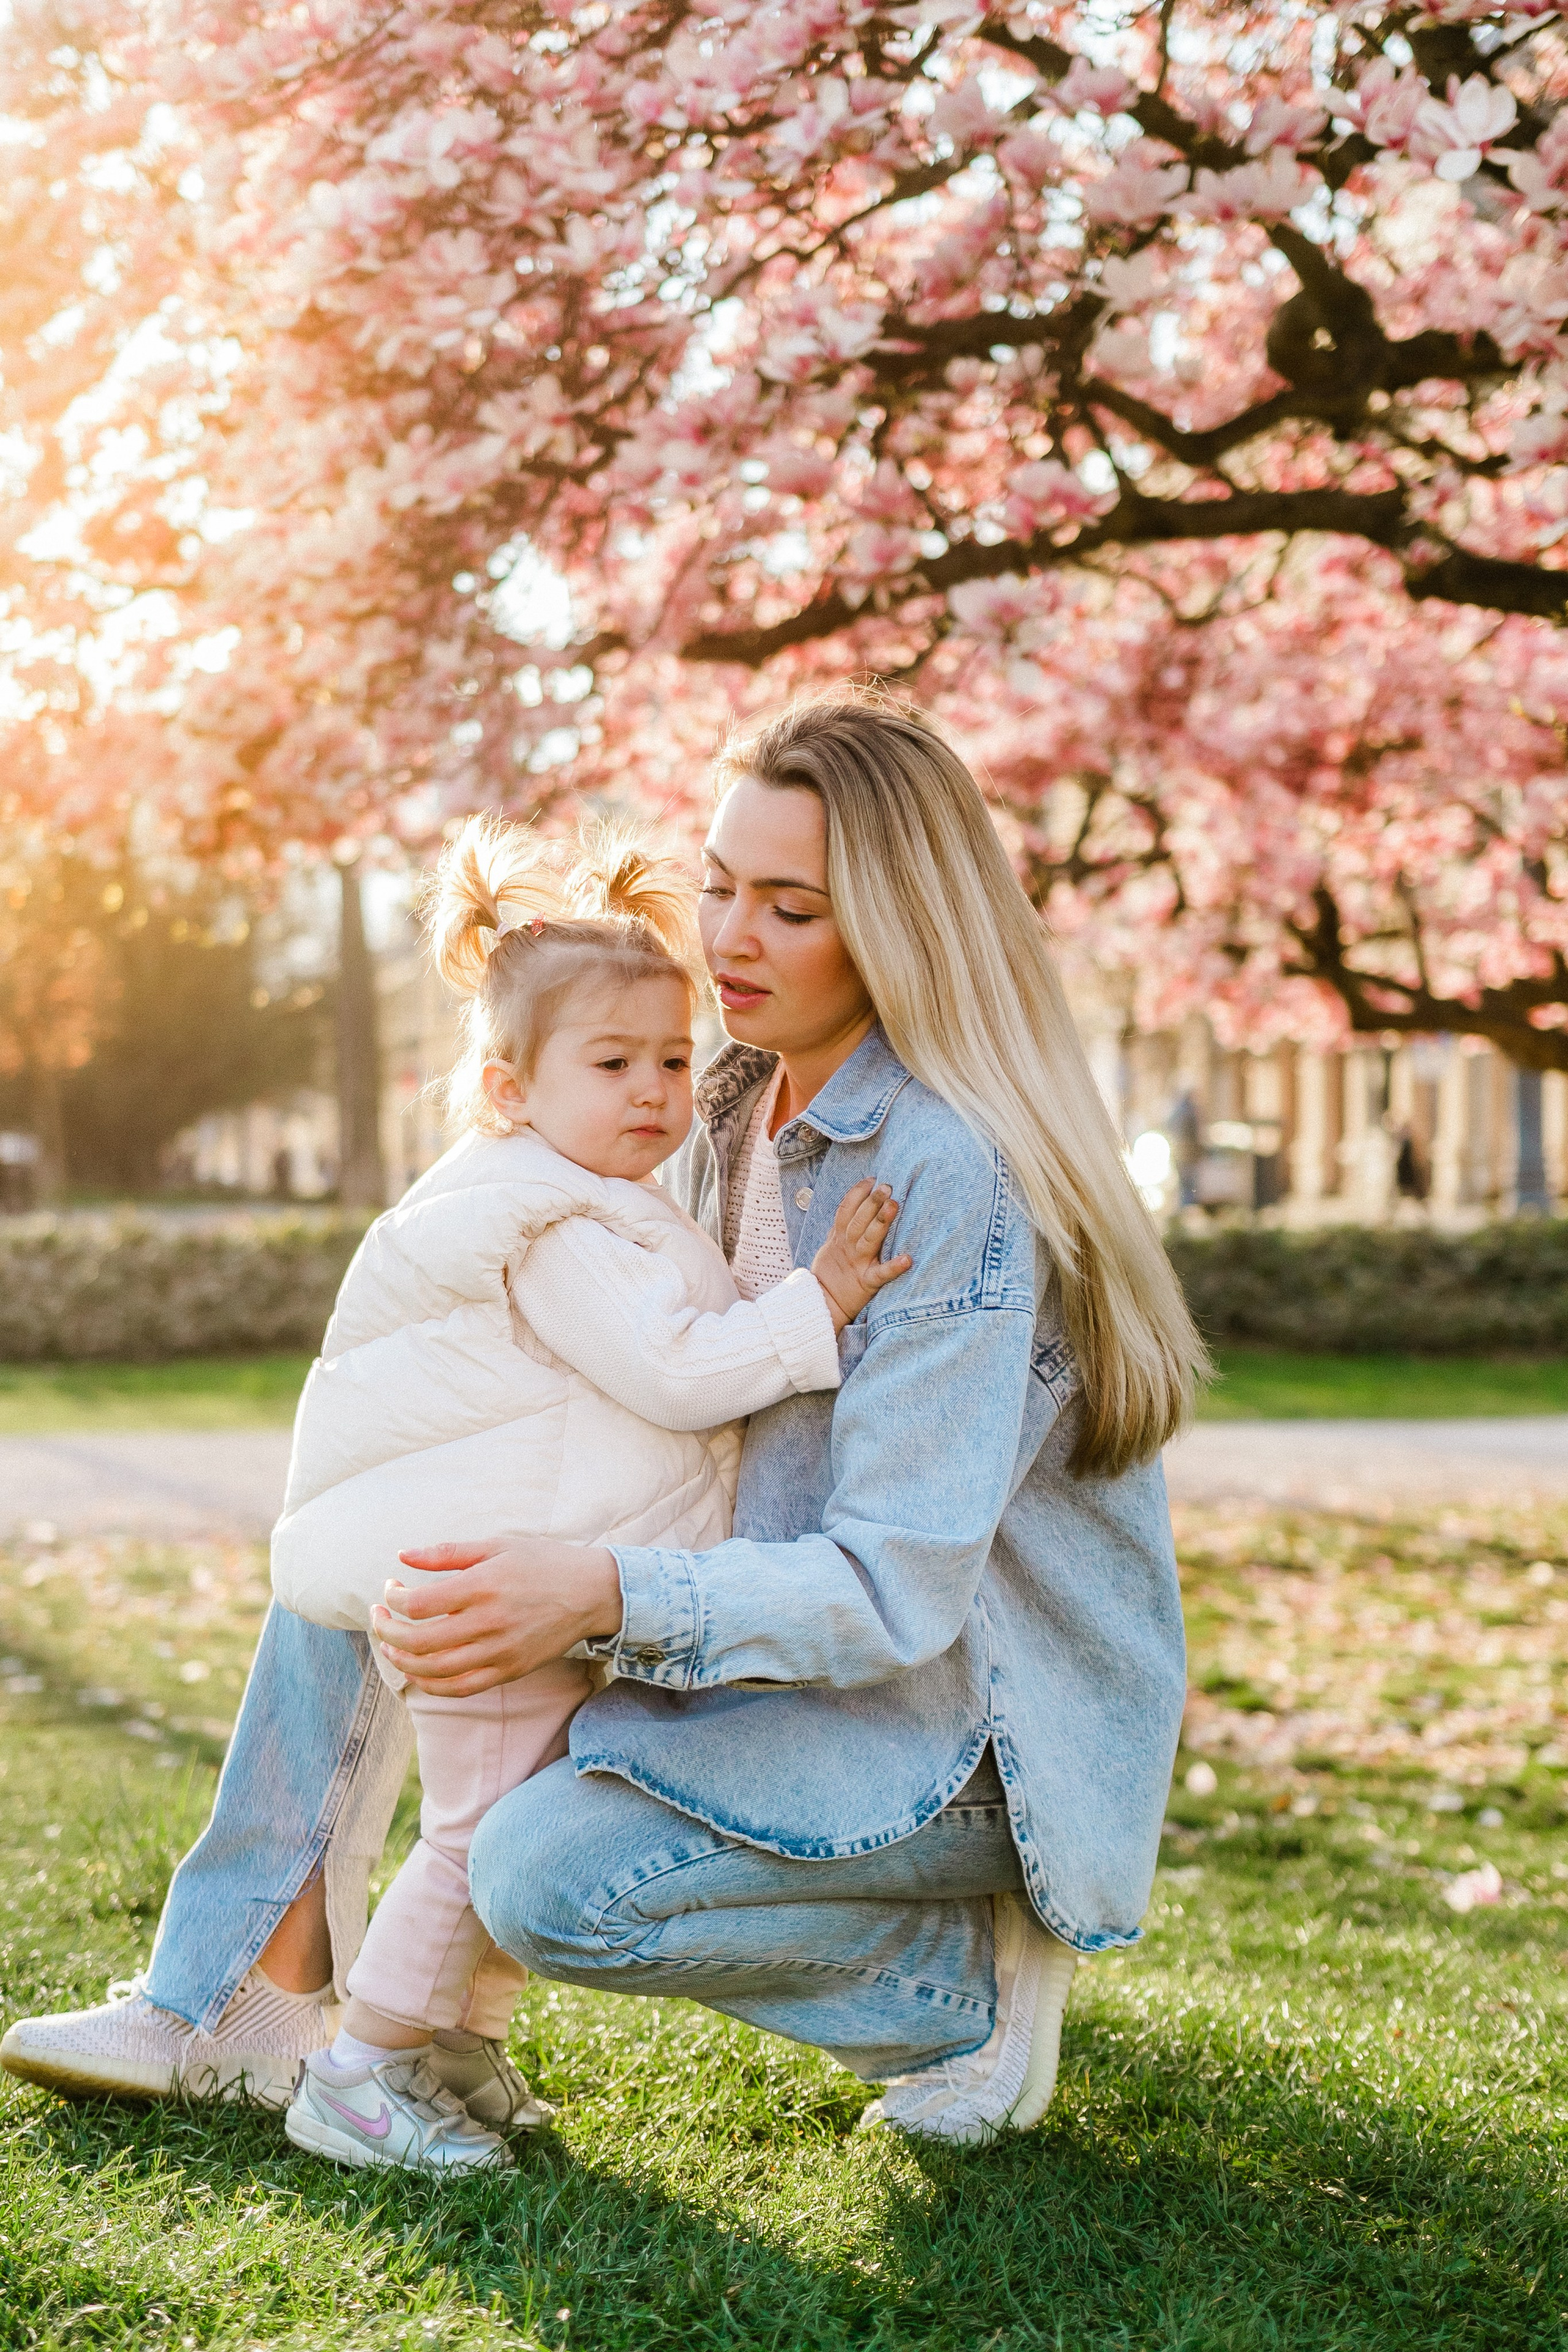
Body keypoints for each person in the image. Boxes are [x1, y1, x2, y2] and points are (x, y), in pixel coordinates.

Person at [1, 690, 1204, 2149]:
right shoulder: (712, 1097)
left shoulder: (942, 1169)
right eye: (719, 886)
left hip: (946, 1727)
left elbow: (892, 1592)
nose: (729, 938)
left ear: (898, 928)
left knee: (547, 1878)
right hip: (761, 1637)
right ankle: (241, 1994)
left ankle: (955, 1986)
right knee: (383, 1526)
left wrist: (597, 1592)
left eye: (788, 909)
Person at [271, 816, 906, 2173]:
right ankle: (358, 2074)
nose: (653, 1093)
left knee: (516, 1823)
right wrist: (820, 1305)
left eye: (673, 1060)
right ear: (511, 1090)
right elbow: (676, 1373)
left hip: (531, 1584)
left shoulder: (604, 1198)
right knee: (474, 1840)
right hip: (494, 1595)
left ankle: (454, 2051)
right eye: (611, 1065)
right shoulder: (554, 1222)